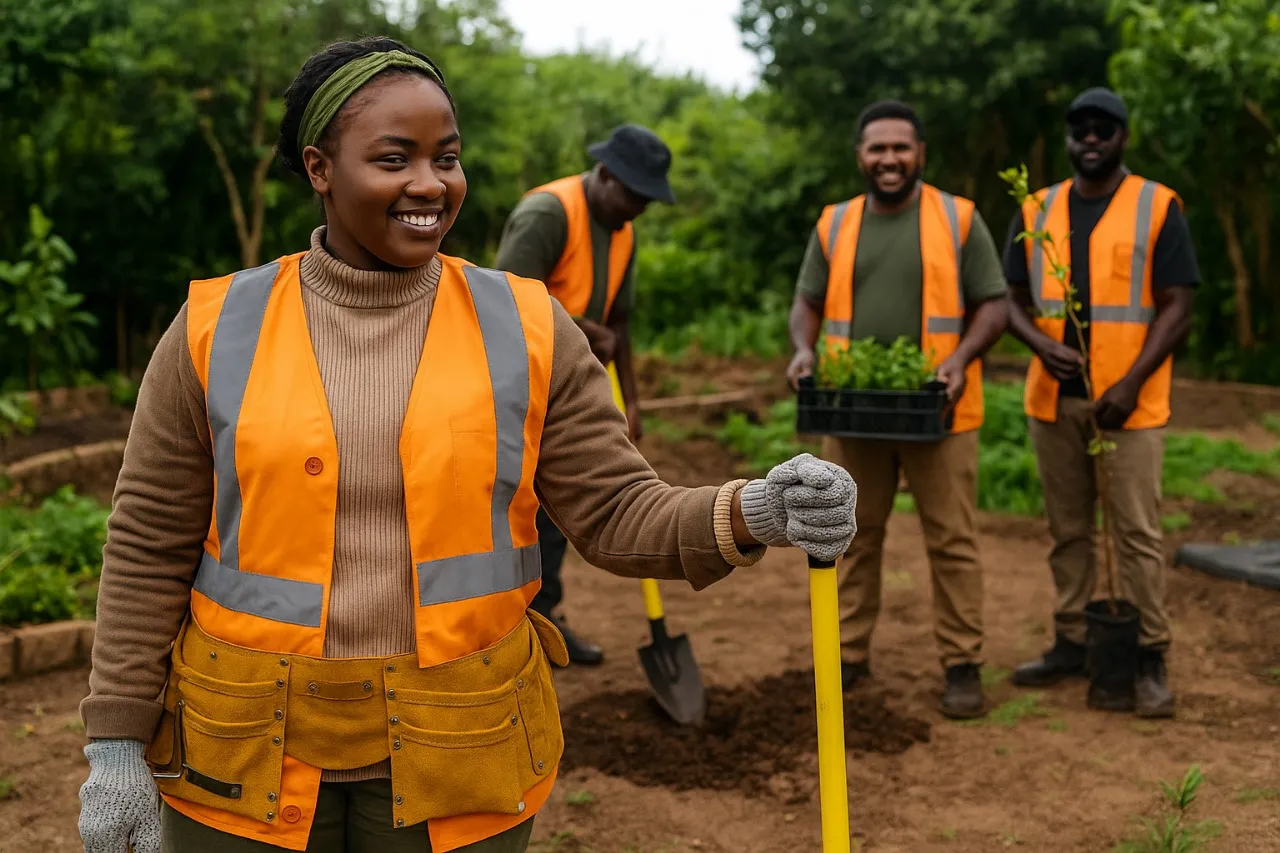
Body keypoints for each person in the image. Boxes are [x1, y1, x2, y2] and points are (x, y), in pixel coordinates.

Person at [74, 37, 858, 853]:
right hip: (239, 757)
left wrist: (756, 509)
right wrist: (116, 744)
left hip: (461, 750)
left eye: (446, 158)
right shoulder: (215, 327)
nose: (430, 183)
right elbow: (147, 544)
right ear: (319, 168)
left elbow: (618, 511)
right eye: (394, 158)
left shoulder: (527, 326)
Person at [786, 99, 1009, 720]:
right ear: (860, 155)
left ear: (920, 154)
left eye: (900, 148)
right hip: (853, 411)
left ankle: (962, 664)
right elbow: (806, 302)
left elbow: (994, 304)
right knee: (850, 536)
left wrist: (960, 358)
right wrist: (803, 350)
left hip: (939, 410)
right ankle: (847, 656)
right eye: (877, 148)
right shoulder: (834, 224)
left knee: (953, 541)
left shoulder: (958, 218)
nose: (889, 159)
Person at [1003, 87, 1198, 718]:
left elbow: (1178, 305)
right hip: (1054, 404)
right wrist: (1040, 344)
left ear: (1122, 137)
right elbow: (1008, 297)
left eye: (1103, 129)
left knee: (1136, 533)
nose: (1091, 138)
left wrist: (1131, 383)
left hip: (1129, 406)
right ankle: (1072, 640)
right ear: (1068, 138)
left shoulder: (1157, 205)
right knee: (1067, 532)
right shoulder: (1037, 208)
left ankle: (1149, 655)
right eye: (1080, 129)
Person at [491, 124, 673, 665]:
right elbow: (503, 302)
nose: (639, 209)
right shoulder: (548, 214)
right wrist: (585, 331)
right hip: (515, 385)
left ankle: (546, 621)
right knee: (515, 509)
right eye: (634, 195)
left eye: (647, 200)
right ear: (606, 175)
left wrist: (631, 400)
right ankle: (505, 628)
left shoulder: (622, 231)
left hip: (567, 390)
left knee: (558, 514)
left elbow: (620, 321)